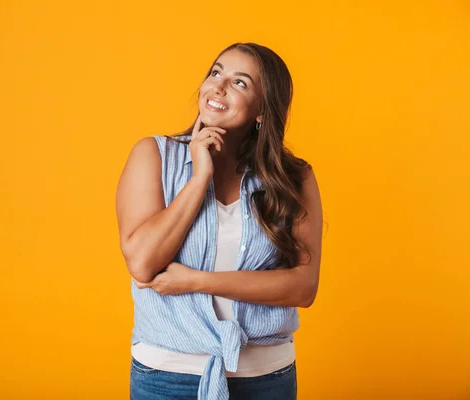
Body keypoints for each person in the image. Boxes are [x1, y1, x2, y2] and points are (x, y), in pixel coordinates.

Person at [115, 42, 323, 400]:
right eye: (216, 72)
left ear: (262, 111)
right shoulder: (153, 155)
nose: (218, 87)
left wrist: (197, 281)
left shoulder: (294, 178)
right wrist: (199, 178)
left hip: (266, 377)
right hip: (168, 376)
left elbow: (303, 287)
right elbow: (142, 263)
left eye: (240, 83)